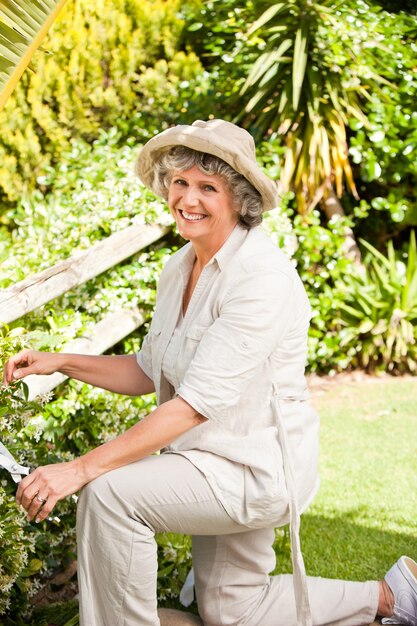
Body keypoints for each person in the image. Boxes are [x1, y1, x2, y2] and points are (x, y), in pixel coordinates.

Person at [3, 119, 416, 626]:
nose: (187, 198)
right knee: (233, 610)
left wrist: (81, 468)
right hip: (208, 460)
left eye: (207, 187)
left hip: (252, 471)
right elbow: (147, 370)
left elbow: (193, 405)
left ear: (239, 199)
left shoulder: (261, 279)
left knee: (110, 493)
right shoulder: (180, 267)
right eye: (179, 182)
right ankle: (388, 600)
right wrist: (62, 361)